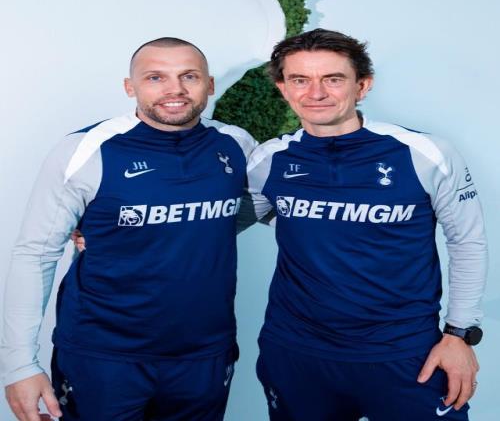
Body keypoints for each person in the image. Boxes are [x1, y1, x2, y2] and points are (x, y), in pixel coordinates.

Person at [1, 37, 257, 421]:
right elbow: (35, 253)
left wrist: (182, 231)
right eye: (156, 77)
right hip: (102, 355)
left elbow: (254, 207)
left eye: (189, 76)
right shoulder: (86, 149)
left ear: (209, 85)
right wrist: (19, 363)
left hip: (204, 354)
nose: (175, 89)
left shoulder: (236, 144)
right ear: (129, 86)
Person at [247, 28, 487, 420]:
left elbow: (467, 242)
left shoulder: (425, 154)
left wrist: (459, 334)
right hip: (296, 352)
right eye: (300, 80)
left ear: (362, 85)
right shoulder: (268, 160)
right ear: (283, 88)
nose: (316, 93)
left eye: (333, 79)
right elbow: (220, 222)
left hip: (406, 354)